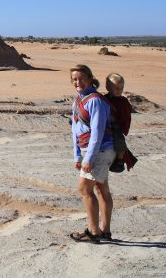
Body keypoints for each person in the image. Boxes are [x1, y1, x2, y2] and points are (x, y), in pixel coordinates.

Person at [69, 64, 116, 243]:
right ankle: (105, 230)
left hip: (100, 150)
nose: (78, 82)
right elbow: (75, 129)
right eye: (74, 79)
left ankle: (94, 231)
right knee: (101, 189)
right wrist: (77, 156)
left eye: (81, 78)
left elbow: (97, 131)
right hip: (90, 150)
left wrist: (88, 158)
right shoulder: (78, 100)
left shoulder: (95, 101)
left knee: (84, 188)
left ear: (90, 79)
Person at [104, 73, 133, 172]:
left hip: (117, 126)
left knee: (119, 139)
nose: (119, 90)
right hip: (105, 124)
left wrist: (120, 125)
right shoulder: (104, 99)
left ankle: (120, 159)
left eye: (121, 88)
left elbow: (126, 114)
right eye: (116, 87)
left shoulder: (123, 101)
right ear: (108, 87)